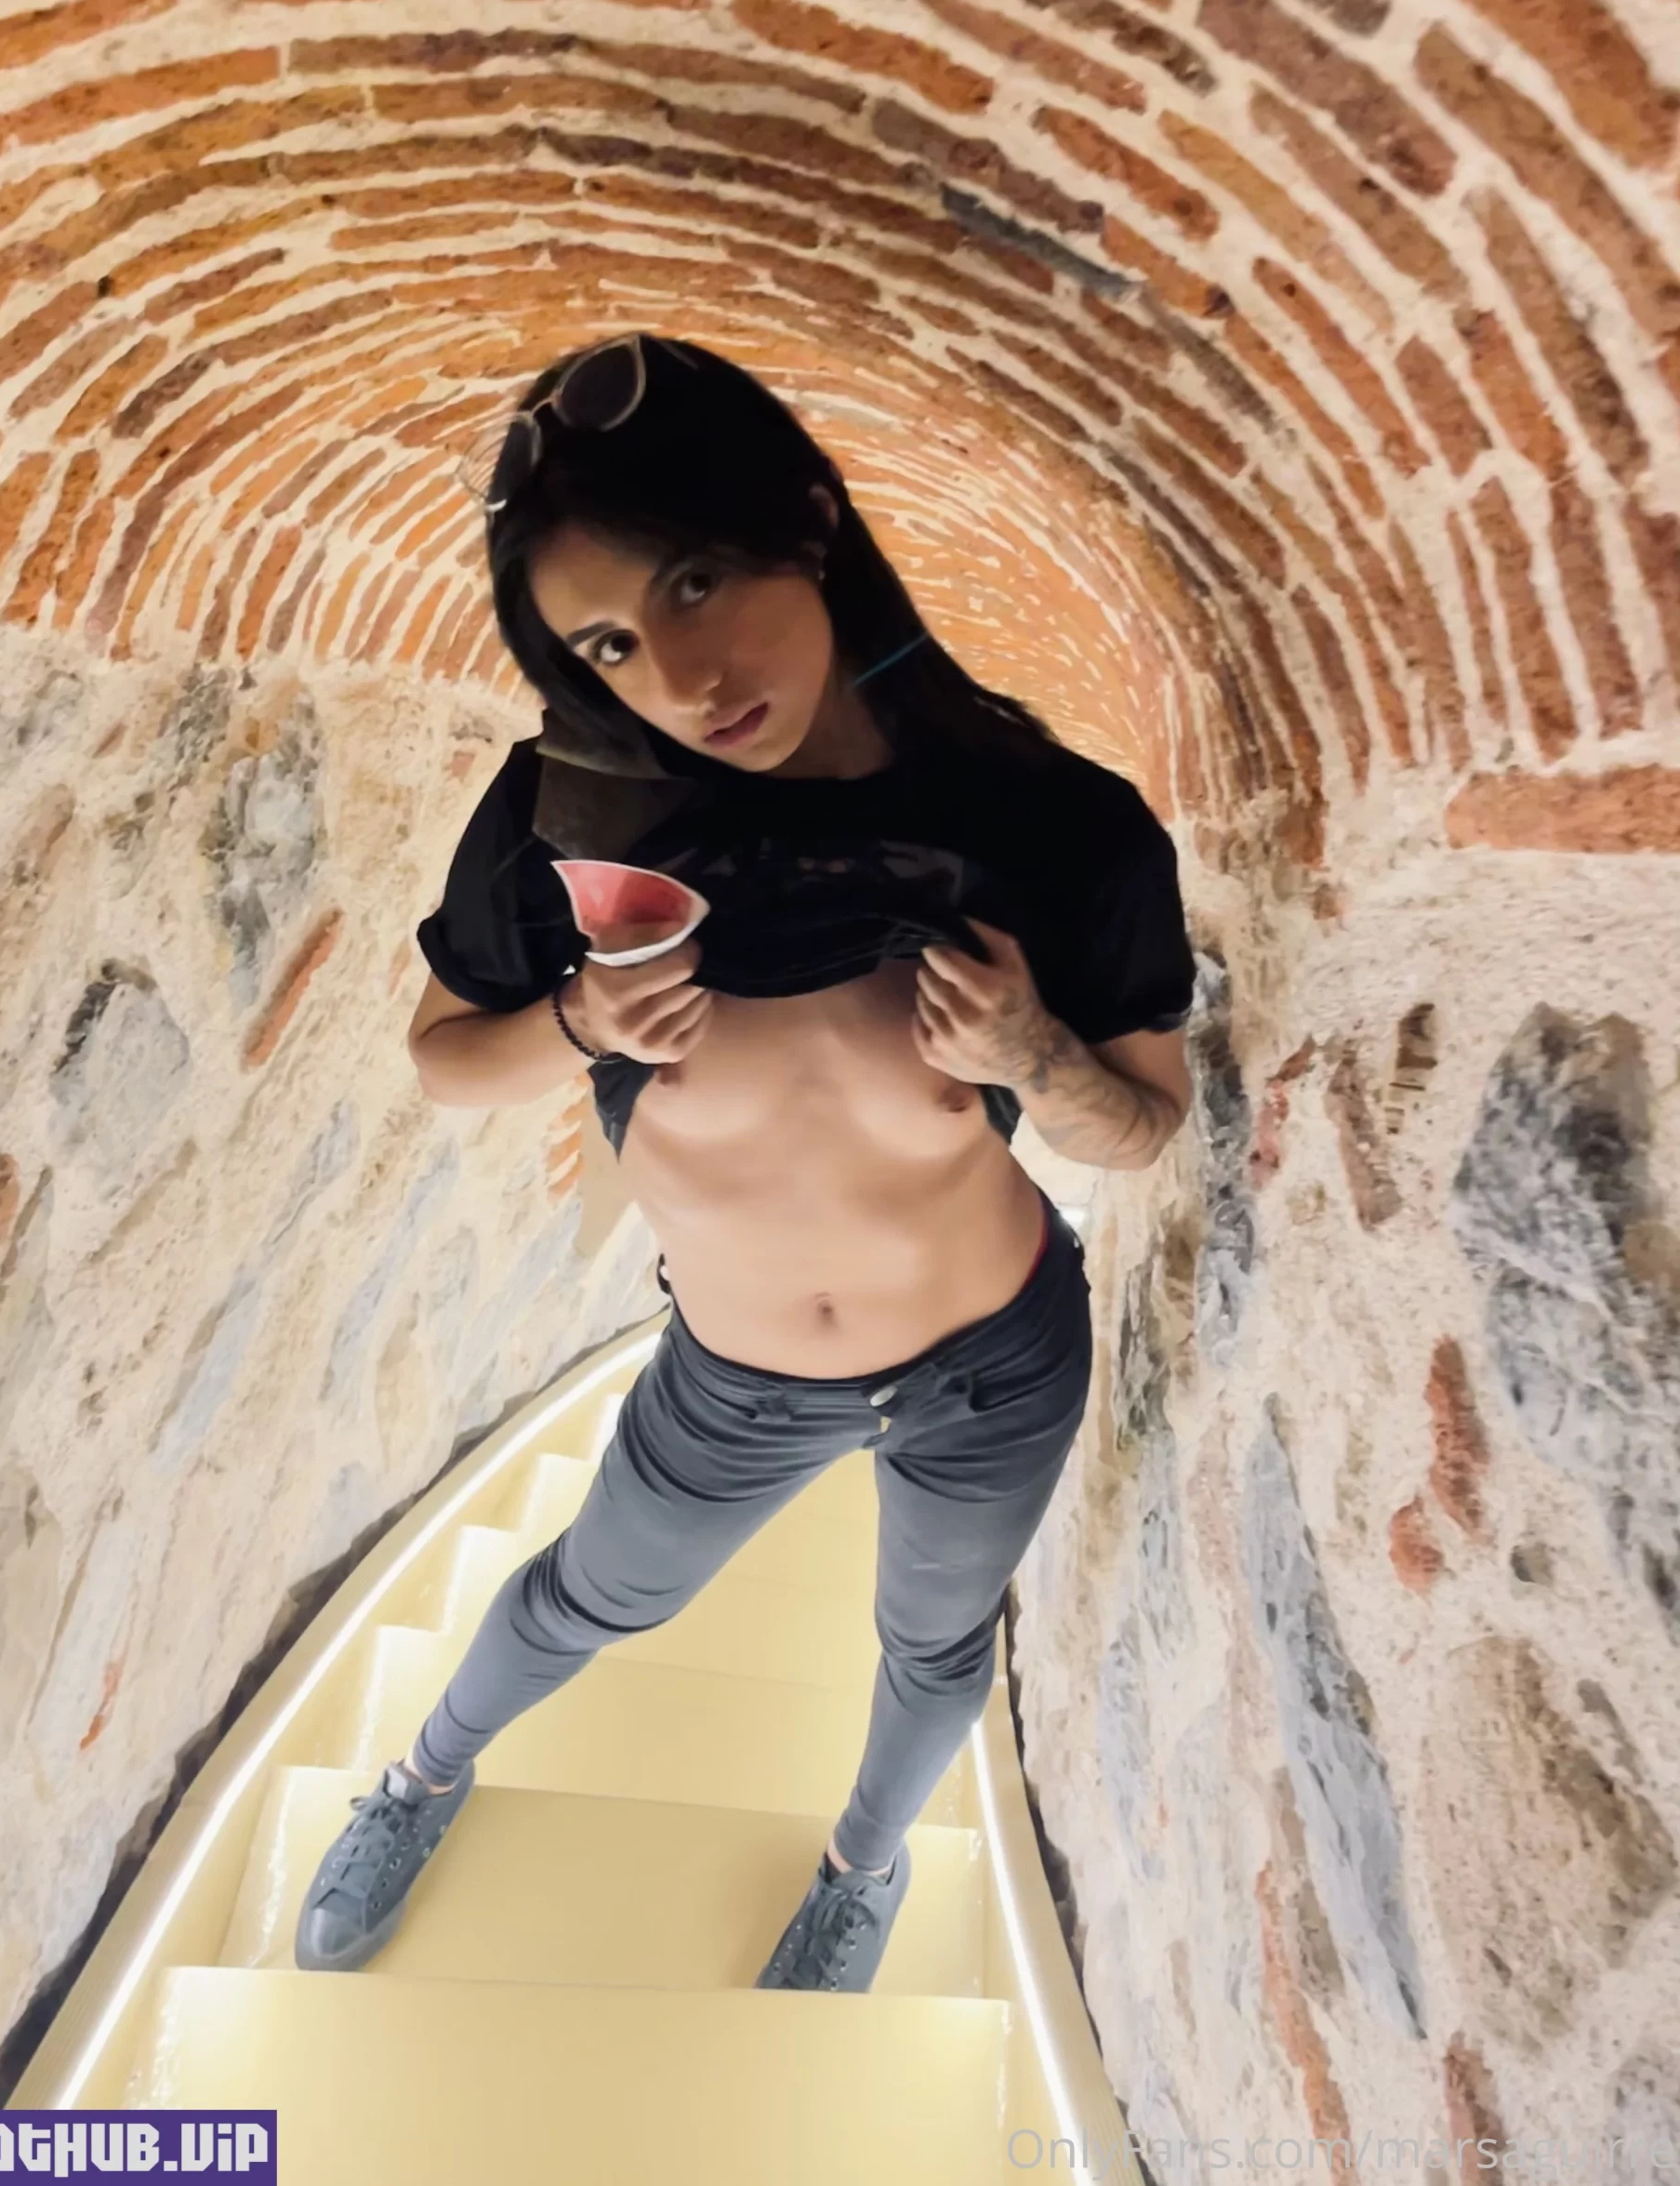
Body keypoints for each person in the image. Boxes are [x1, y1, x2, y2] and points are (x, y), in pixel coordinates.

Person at [295, 331, 1197, 1989]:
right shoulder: (574, 819)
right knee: (581, 1601)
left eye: (697, 581)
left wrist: (1034, 1055)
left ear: (808, 518)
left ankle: (862, 1870)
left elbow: (1139, 1124)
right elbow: (445, 1061)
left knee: (935, 1647)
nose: (682, 676)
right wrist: (580, 1020)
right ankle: (417, 1778)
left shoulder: (1053, 821)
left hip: (996, 1361)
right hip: (733, 1384)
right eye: (612, 643)